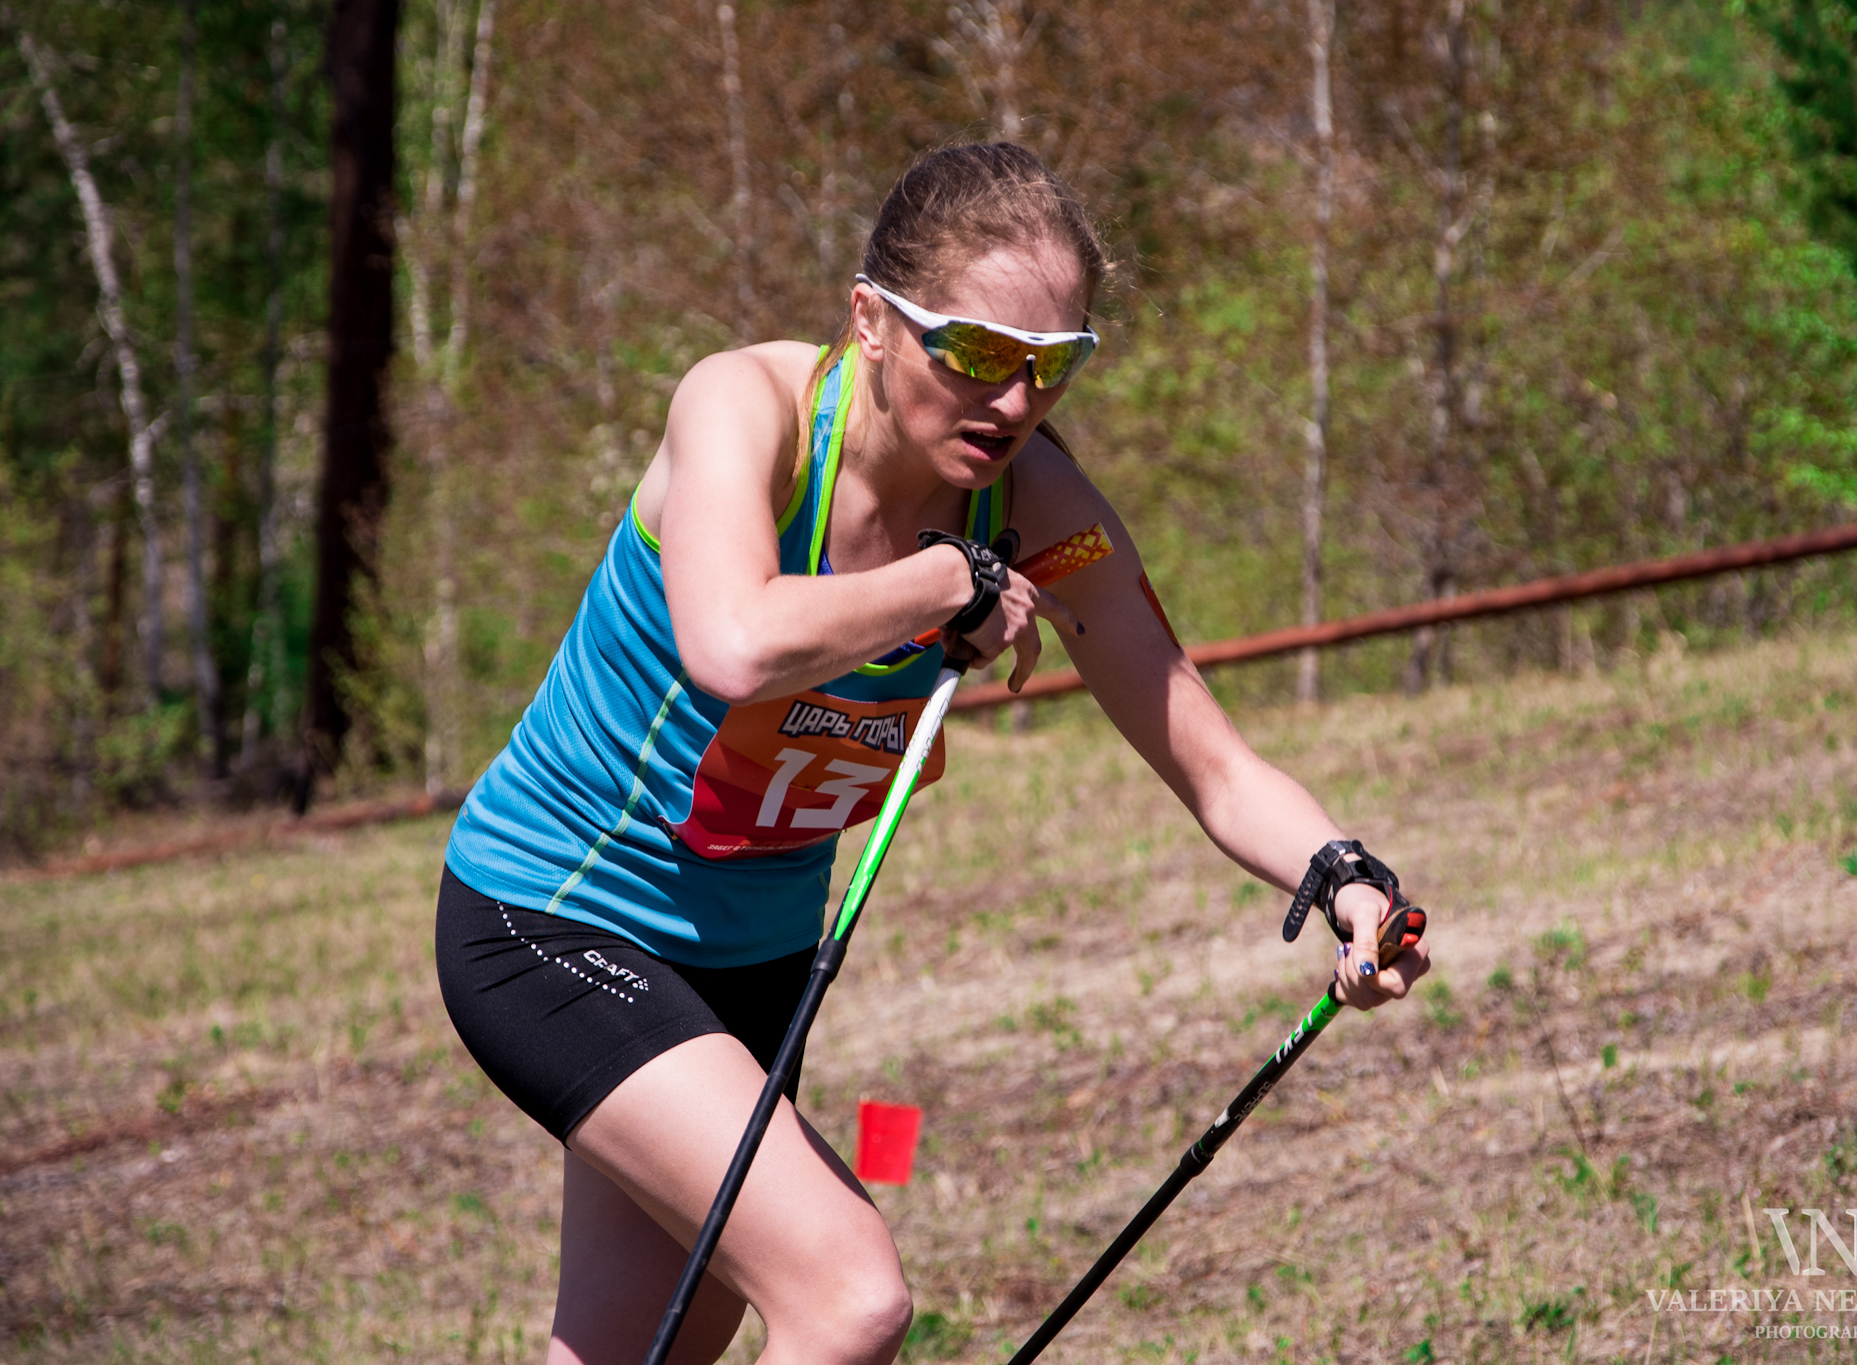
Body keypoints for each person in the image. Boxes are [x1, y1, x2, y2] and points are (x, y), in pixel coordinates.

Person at [437, 142, 1430, 1365]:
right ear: (870, 319)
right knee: (846, 1298)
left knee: (656, 1344)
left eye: (1051, 365)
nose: (1011, 402)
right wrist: (942, 582)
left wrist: (1342, 878)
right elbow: (733, 645)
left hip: (750, 968)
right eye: (973, 352)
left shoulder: (1037, 509)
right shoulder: (744, 410)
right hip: (555, 917)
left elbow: (1209, 759)